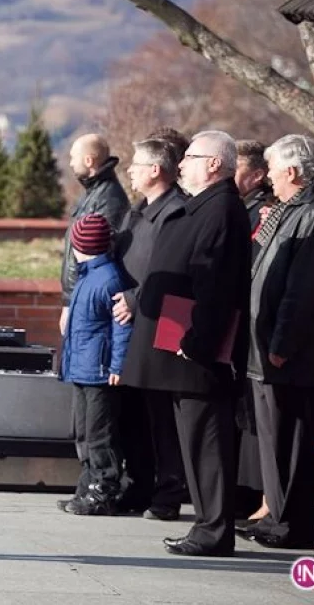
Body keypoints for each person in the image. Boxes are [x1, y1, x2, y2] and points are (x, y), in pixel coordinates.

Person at [122, 130, 251, 557]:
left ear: (214, 164)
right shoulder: (206, 206)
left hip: (198, 353)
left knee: (207, 442)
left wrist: (197, 340)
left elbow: (216, 284)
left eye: (191, 157)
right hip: (183, 350)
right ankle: (206, 527)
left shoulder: (222, 209)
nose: (181, 164)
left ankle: (213, 530)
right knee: (194, 442)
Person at [242, 134, 314, 550]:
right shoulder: (293, 208)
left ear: (291, 171)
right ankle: (277, 518)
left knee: (291, 442)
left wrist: (283, 343)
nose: (268, 177)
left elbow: (306, 289)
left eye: (272, 170)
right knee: (275, 440)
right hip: (269, 348)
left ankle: (293, 525)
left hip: (295, 355)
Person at [112, 138, 188, 521]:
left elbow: (173, 269)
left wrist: (135, 298)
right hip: (128, 325)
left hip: (158, 324)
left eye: (136, 164)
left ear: (156, 170)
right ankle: (139, 486)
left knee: (162, 417)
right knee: (133, 413)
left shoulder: (176, 212)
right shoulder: (138, 210)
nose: (129, 170)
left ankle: (167, 494)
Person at [56, 133, 129, 513]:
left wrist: (115, 365)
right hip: (84, 364)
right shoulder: (88, 278)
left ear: (89, 160)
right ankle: (88, 486)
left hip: (97, 367)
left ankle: (103, 489)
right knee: (84, 428)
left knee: (99, 432)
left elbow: (119, 325)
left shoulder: (104, 277)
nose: (69, 162)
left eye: (73, 156)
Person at [234, 140, 273, 522]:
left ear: (258, 175)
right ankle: (244, 493)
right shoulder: (240, 207)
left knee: (254, 419)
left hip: (255, 325)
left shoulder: (263, 212)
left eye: (238, 168)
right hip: (242, 324)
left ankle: (257, 496)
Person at [235, 140, 274, 233]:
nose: (226, 175)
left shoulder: (267, 211)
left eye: (233, 169)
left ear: (257, 175)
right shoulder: (231, 202)